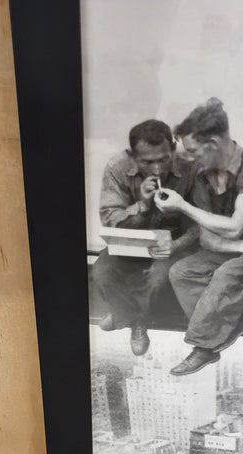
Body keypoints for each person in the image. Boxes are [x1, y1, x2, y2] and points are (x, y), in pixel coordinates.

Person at [153, 98, 243, 375]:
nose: (187, 157)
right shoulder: (202, 174)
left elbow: (235, 226)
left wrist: (183, 206)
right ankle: (231, 326)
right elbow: (208, 237)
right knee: (182, 271)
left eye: (192, 150)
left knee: (227, 273)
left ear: (212, 143)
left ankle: (203, 348)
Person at [89, 119, 198, 356]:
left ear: (172, 148)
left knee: (158, 279)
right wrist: (144, 205)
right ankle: (130, 317)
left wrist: (176, 245)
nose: (157, 169)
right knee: (101, 272)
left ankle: (127, 317)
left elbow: (202, 222)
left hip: (174, 244)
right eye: (148, 162)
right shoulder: (117, 167)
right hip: (130, 241)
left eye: (164, 159)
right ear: (132, 155)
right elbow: (110, 219)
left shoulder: (191, 166)